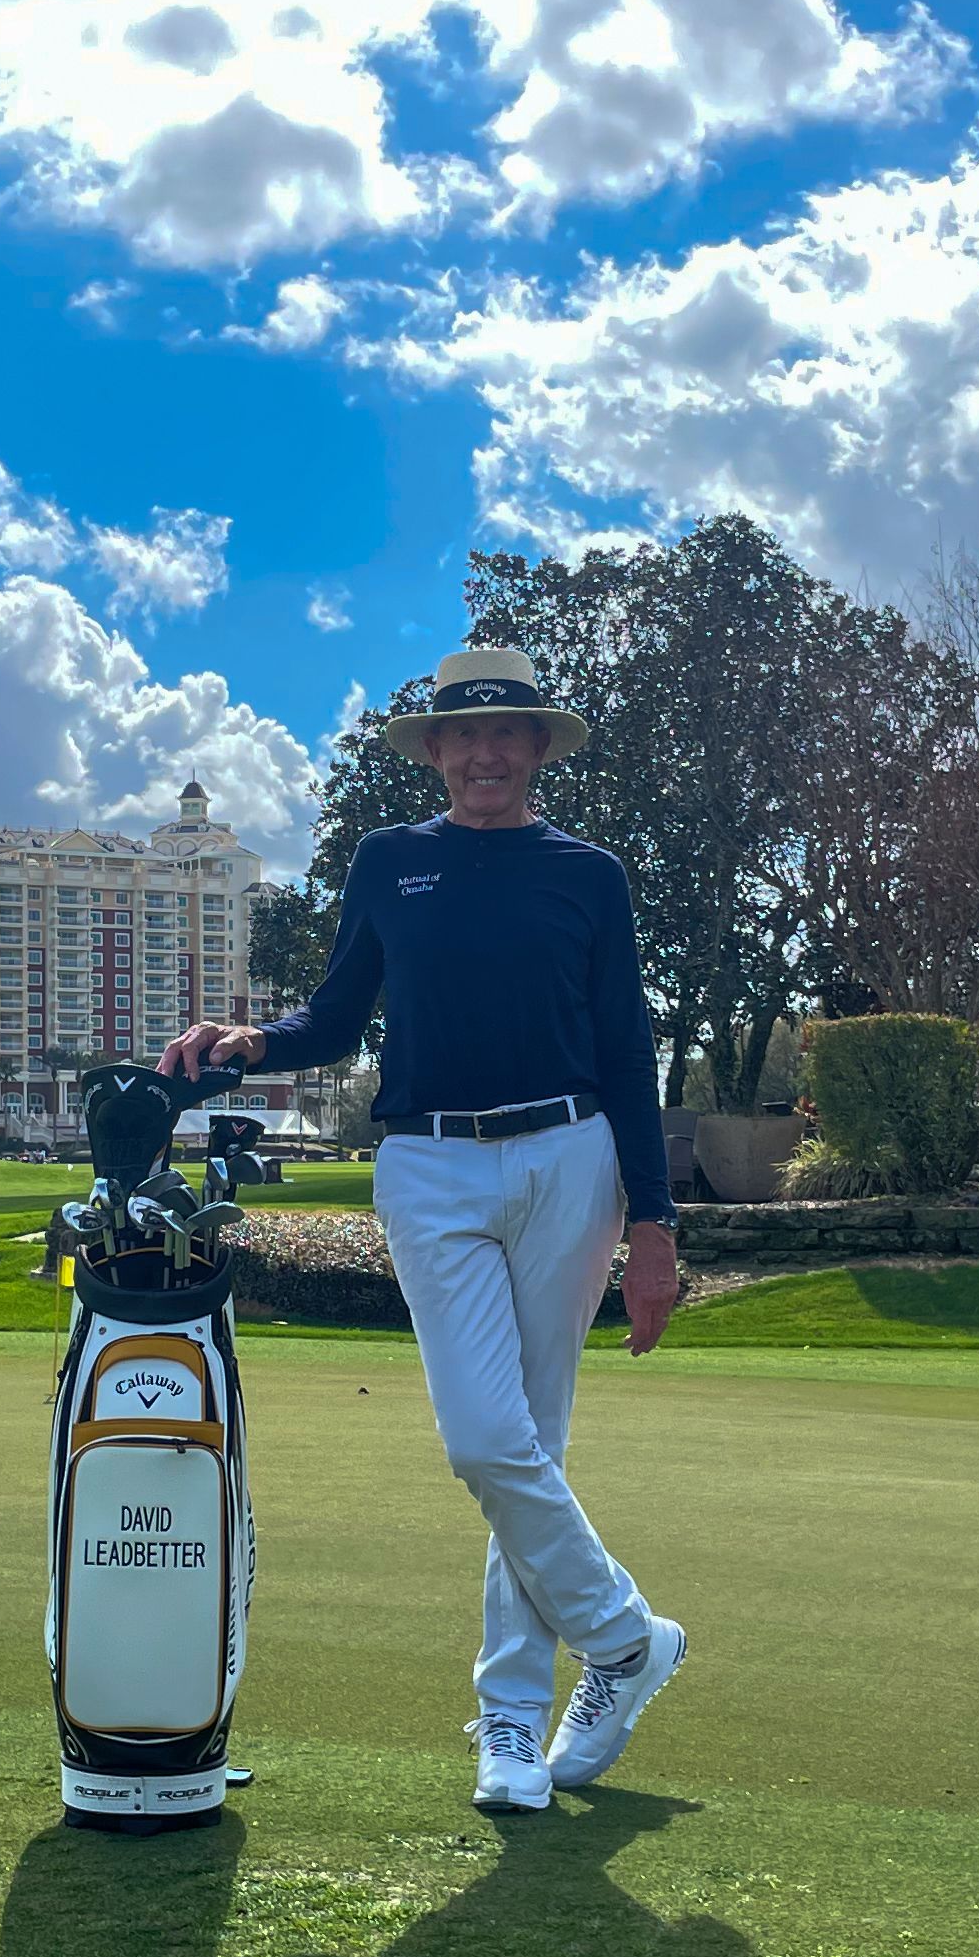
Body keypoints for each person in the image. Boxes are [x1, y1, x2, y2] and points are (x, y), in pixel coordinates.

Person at [162, 645, 687, 1814]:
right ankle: (625, 1638)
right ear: (437, 751)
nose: (486, 753)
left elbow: (623, 1050)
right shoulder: (390, 864)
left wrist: (653, 1224)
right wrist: (252, 1041)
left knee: (530, 1450)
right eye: (464, 736)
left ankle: (510, 1721)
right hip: (429, 1166)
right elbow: (339, 1015)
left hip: (570, 1157)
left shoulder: (588, 876)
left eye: (509, 734)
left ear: (539, 749)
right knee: (484, 1442)